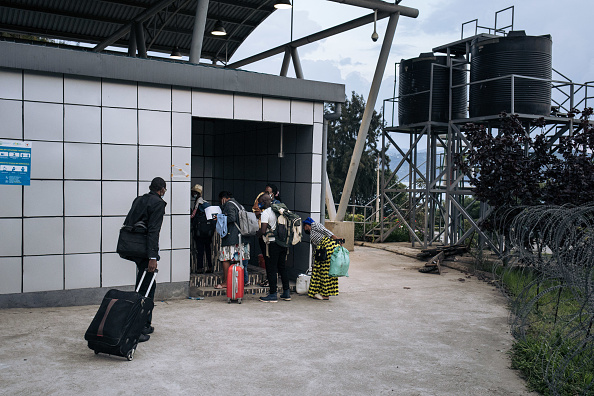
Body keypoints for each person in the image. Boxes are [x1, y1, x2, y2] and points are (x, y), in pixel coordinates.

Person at [123, 177, 167, 341]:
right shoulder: (158, 204)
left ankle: (145, 324)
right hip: (146, 251)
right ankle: (137, 328)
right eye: (165, 190)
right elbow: (153, 232)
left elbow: (130, 223)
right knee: (145, 289)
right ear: (161, 189)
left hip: (134, 247)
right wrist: (152, 257)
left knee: (146, 284)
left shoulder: (139, 200)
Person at [256, 194, 291, 303]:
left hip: (272, 244)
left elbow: (263, 230)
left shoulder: (266, 213)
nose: (259, 204)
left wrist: (256, 233)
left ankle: (272, 294)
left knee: (271, 268)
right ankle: (286, 292)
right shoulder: (279, 210)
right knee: (282, 267)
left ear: (264, 201)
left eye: (260, 202)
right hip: (283, 243)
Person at [215, 191, 250, 289]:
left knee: (225, 259)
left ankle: (226, 282)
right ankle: (237, 282)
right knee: (238, 261)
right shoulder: (239, 205)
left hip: (232, 238)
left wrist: (218, 218)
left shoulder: (229, 205)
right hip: (240, 238)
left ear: (223, 198)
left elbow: (231, 217)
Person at [302, 217, 343, 301]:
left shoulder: (314, 225)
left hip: (327, 248)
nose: (304, 229)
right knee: (317, 271)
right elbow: (314, 249)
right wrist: (313, 264)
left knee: (325, 272)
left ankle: (325, 295)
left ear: (307, 225)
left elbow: (325, 230)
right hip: (321, 250)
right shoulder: (312, 233)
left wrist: (336, 238)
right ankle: (314, 292)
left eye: (304, 227)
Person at [252, 183, 281, 288]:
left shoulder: (276, 206)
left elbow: (265, 227)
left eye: (268, 192)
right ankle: (271, 281)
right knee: (268, 260)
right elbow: (256, 212)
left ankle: (272, 284)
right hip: (266, 237)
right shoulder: (263, 206)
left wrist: (259, 232)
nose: (266, 194)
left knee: (271, 262)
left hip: (271, 238)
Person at [190, 184, 213, 273]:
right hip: (207, 231)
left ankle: (200, 268)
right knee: (208, 249)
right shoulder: (204, 202)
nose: (192, 194)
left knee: (200, 250)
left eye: (193, 192)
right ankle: (209, 266)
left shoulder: (199, 203)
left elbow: (193, 216)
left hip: (200, 231)